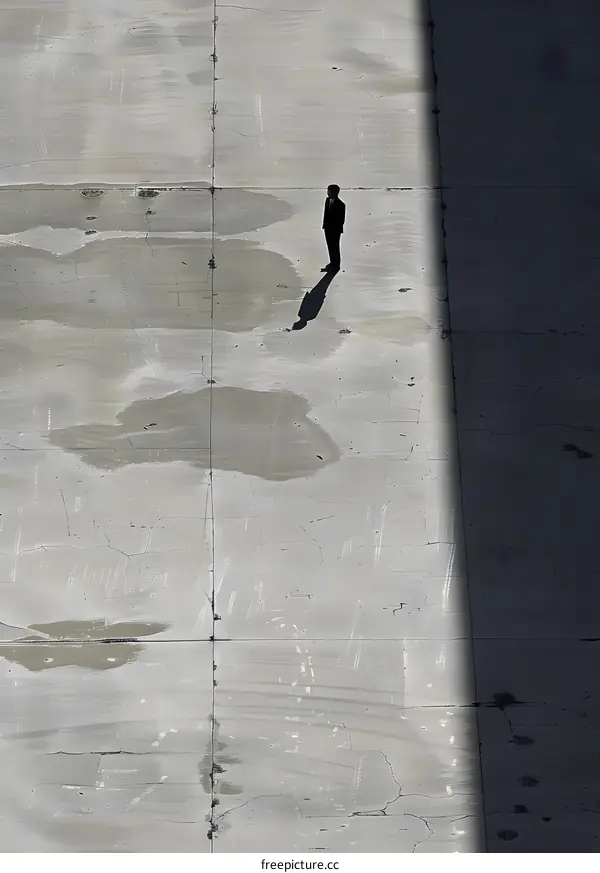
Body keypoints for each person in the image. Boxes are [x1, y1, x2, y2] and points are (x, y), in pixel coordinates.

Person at [321, 184, 345, 272]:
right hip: (327, 228)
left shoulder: (341, 205)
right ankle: (332, 263)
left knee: (335, 247)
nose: (327, 193)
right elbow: (325, 213)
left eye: (329, 191)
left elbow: (341, 220)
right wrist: (324, 224)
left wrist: (336, 229)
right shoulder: (327, 200)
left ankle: (336, 265)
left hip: (335, 230)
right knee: (330, 246)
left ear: (335, 192)